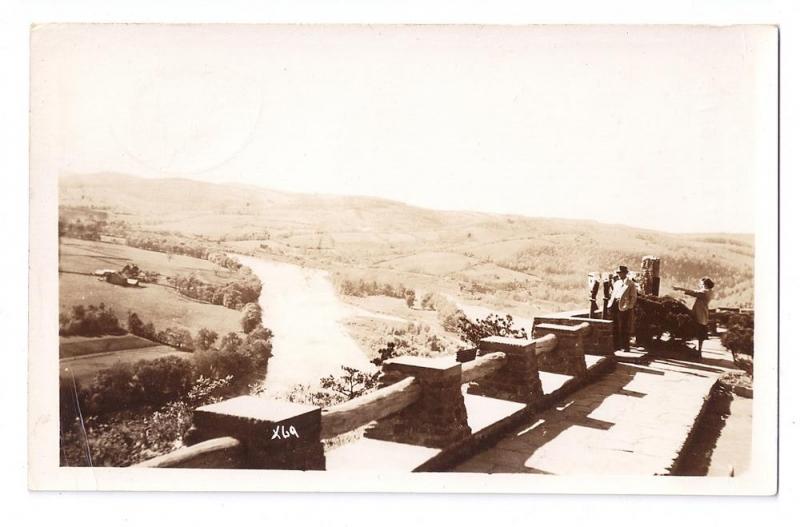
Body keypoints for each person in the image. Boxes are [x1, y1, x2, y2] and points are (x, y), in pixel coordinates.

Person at [673, 277, 715, 354]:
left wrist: (679, 288)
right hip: (702, 314)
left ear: (705, 285)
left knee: (692, 327)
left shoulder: (705, 292)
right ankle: (699, 350)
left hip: (699, 314)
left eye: (701, 284)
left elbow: (693, 292)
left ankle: (696, 350)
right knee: (701, 334)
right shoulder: (710, 292)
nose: (700, 286)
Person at [607, 265, 638, 352]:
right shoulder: (617, 283)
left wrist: (628, 306)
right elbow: (613, 294)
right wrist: (610, 304)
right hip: (614, 305)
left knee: (623, 327)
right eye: (618, 273)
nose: (619, 275)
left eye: (621, 273)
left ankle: (625, 347)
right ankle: (616, 346)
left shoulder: (630, 284)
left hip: (623, 307)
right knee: (615, 326)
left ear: (625, 273)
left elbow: (633, 296)